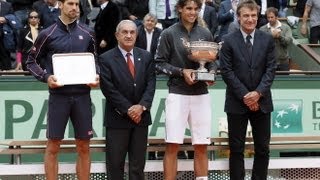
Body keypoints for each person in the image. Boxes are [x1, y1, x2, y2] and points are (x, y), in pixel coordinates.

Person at [26, 0, 99, 179]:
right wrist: (46, 77)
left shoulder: (88, 33)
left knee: (83, 146)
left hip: (82, 96)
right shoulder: (47, 33)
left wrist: (96, 75)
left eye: (77, 4)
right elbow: (30, 61)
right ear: (61, 5)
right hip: (58, 96)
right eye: (71, 3)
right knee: (53, 145)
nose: (75, 8)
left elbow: (95, 60)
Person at [155, 0, 217, 179]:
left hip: (201, 95)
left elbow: (212, 60)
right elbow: (159, 64)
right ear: (180, 9)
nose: (192, 12)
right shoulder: (169, 33)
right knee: (172, 145)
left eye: (196, 9)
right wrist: (182, 72)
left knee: (201, 145)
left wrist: (211, 72)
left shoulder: (205, 32)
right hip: (177, 93)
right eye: (188, 8)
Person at [219, 0, 276, 179]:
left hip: (263, 102)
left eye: (253, 15)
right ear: (238, 17)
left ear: (258, 17)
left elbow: (271, 69)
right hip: (237, 102)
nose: (250, 19)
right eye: (246, 15)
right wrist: (246, 95)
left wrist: (258, 94)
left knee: (262, 149)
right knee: (236, 150)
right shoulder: (228, 40)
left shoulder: (267, 39)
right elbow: (227, 72)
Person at [99, 20, 156, 180]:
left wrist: (142, 106)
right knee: (115, 166)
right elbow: (108, 89)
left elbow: (151, 84)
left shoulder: (146, 56)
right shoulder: (105, 58)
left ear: (136, 35)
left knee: (138, 167)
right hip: (117, 119)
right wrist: (128, 109)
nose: (129, 35)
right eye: (124, 32)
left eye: (132, 32)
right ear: (117, 35)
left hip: (141, 119)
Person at [260, 7, 292, 71]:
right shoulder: (262, 29)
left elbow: (288, 42)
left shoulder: (286, 27)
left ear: (277, 17)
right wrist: (271, 36)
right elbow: (260, 45)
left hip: (283, 62)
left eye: (272, 17)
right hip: (268, 62)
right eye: (268, 17)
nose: (270, 19)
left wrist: (279, 37)